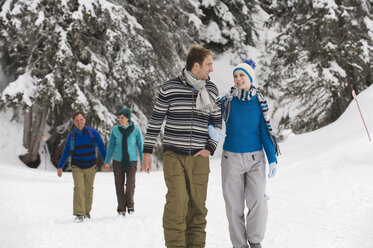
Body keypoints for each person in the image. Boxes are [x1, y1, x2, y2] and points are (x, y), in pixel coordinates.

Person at [141, 44, 222, 248]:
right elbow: (156, 119)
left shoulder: (211, 89)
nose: (212, 69)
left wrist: (209, 148)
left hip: (199, 158)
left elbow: (217, 122)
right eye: (209, 65)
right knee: (177, 204)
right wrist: (147, 152)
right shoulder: (170, 87)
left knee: (197, 208)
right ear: (196, 66)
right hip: (174, 155)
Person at [214, 59, 280, 248]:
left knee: (258, 201)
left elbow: (265, 132)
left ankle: (255, 241)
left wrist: (272, 159)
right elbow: (211, 116)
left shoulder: (259, 102)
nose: (238, 79)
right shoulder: (227, 100)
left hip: (256, 159)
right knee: (234, 207)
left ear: (250, 76)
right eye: (235, 76)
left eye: (241, 75)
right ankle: (240, 245)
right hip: (231, 159)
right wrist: (212, 128)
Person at [57, 112, 107, 223]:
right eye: (77, 120)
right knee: (79, 188)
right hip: (77, 166)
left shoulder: (93, 134)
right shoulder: (72, 136)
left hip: (91, 166)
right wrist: (60, 166)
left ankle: (86, 211)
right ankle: (79, 214)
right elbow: (66, 152)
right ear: (74, 123)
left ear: (84, 120)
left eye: (81, 119)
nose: (80, 122)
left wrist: (106, 161)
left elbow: (101, 148)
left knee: (88, 189)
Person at [103, 107, 143, 216]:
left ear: (128, 118)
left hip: (132, 161)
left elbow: (140, 146)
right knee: (119, 185)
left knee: (130, 185)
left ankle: (130, 205)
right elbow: (111, 146)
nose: (119, 120)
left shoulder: (136, 130)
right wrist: (107, 161)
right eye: (119, 118)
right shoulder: (115, 130)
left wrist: (143, 161)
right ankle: (121, 208)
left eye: (122, 118)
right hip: (118, 161)